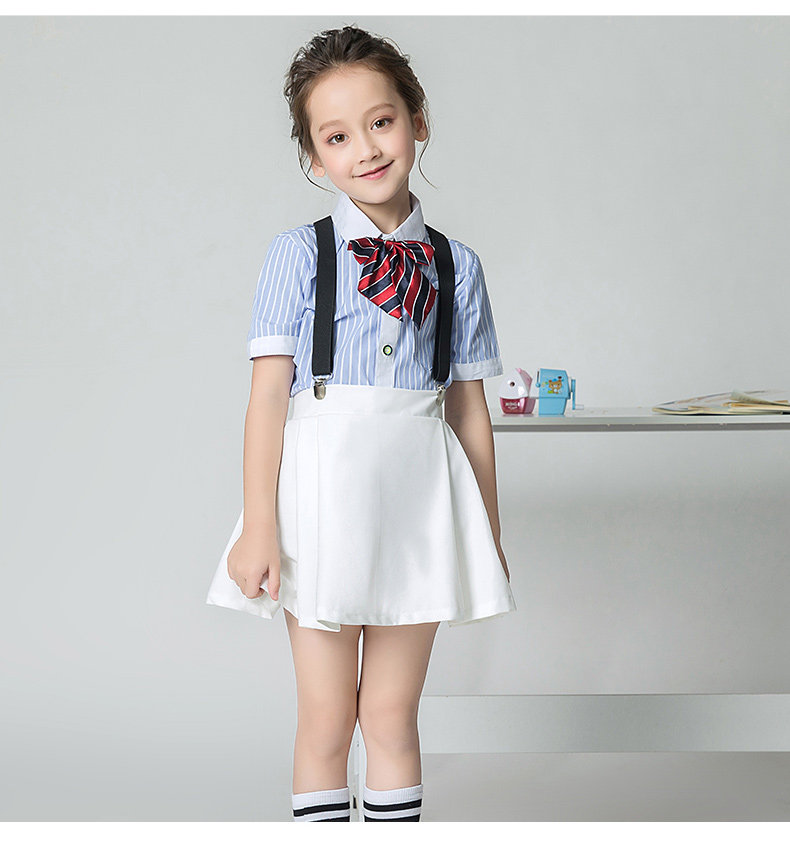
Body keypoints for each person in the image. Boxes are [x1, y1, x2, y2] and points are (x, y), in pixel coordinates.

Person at [205, 24, 516, 822]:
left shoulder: (458, 265)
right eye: (337, 136)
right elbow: (267, 399)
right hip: (321, 497)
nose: (367, 149)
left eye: (382, 122)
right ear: (315, 158)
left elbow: (468, 407)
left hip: (420, 499)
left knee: (390, 713)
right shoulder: (297, 254)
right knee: (326, 715)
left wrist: (484, 527)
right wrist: (260, 525)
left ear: (417, 120)